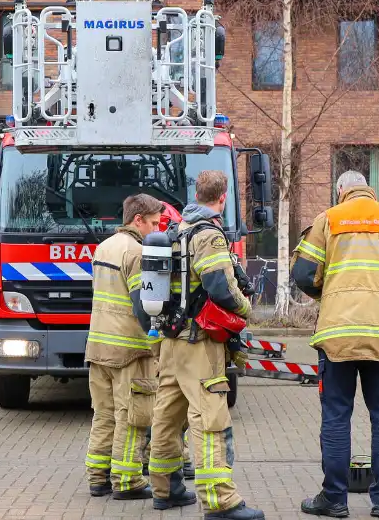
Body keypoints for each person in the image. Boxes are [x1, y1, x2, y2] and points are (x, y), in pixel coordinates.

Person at [293, 171, 379, 518]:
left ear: (341, 191)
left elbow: (303, 274)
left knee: (336, 416)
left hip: (338, 334)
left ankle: (334, 499)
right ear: (371, 189)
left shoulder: (328, 219)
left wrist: (330, 294)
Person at [146, 170, 263, 519]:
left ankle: (165, 489)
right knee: (210, 417)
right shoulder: (209, 235)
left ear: (196, 194)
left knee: (167, 415)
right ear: (223, 197)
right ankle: (219, 500)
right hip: (199, 341)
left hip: (170, 341)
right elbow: (219, 287)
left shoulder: (175, 230)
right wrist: (246, 308)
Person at [85, 194, 180, 501]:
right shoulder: (138, 252)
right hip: (130, 350)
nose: (157, 230)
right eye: (153, 223)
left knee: (104, 414)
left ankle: (97, 477)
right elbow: (144, 306)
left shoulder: (104, 247)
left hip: (98, 346)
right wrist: (159, 340)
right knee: (133, 416)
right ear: (137, 219)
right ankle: (127, 481)